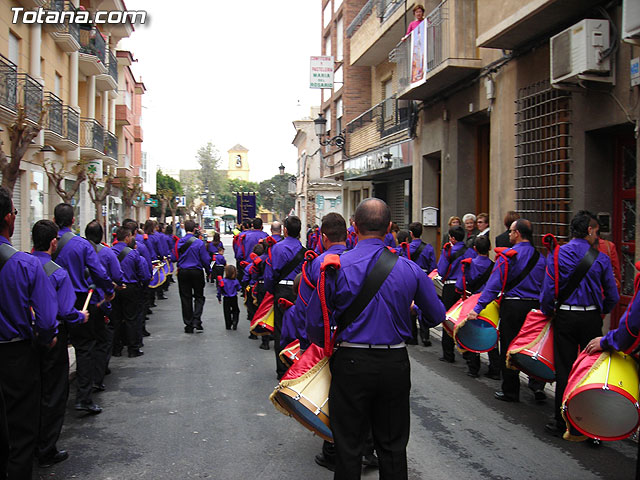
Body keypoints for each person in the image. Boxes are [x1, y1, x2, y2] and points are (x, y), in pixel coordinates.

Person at [305, 198, 445, 479]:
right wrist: (411, 308)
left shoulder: (334, 266)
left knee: (348, 446)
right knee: (393, 446)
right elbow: (436, 316)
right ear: (390, 228)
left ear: (353, 227)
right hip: (394, 361)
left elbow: (314, 325)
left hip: (351, 361)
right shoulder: (410, 269)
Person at [540, 211, 619, 437]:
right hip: (591, 318)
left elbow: (547, 293)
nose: (597, 235)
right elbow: (612, 295)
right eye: (596, 231)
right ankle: (592, 427)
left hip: (564, 316)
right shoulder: (601, 258)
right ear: (589, 230)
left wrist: (549, 311)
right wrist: (601, 311)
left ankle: (561, 421)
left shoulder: (556, 255)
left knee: (564, 369)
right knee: (590, 369)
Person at [0, 187, 58, 479]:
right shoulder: (25, 264)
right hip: (15, 355)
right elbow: (47, 321)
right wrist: (46, 341)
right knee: (21, 433)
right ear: (10, 218)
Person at [465, 219, 546, 403]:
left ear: (517, 233)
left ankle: (510, 391)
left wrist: (477, 308)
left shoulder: (508, 256)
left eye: (510, 231)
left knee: (509, 347)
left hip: (512, 306)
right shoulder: (541, 257)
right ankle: (537, 386)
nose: (508, 234)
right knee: (531, 346)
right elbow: (547, 287)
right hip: (534, 308)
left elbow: (493, 286)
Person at [31, 220, 89, 468]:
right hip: (52, 336)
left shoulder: (18, 264)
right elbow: (66, 311)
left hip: (23, 338)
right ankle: (46, 448)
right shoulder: (56, 272)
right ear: (53, 242)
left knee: (30, 391)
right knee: (54, 393)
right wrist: (81, 316)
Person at [53, 203, 114, 415]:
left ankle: (55, 399)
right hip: (78, 300)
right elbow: (98, 271)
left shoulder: (46, 243)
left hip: (51, 299)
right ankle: (84, 398)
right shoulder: (81, 245)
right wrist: (108, 291)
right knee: (85, 348)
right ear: (73, 221)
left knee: (56, 348)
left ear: (54, 220)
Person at [264, 215, 306, 379]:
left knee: (281, 330)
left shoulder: (276, 248)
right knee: (299, 329)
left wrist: (271, 291)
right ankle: (296, 366)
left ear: (286, 230)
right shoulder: (304, 251)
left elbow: (269, 274)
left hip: (281, 291)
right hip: (299, 292)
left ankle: (281, 369)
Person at [84, 220, 123, 390]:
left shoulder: (74, 249)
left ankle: (85, 377)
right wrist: (110, 289)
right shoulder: (106, 253)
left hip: (77, 301)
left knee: (85, 342)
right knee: (103, 339)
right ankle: (96, 379)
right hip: (99, 301)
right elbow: (116, 274)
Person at [454, 235, 500, 379]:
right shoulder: (495, 265)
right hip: (491, 303)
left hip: (473, 301)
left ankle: (473, 368)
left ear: (474, 249)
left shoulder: (468, 264)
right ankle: (495, 369)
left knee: (472, 333)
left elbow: (460, 286)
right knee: (491, 334)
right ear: (490, 248)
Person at [438, 225, 477, 363]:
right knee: (464, 319)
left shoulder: (447, 251)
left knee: (448, 318)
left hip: (449, 287)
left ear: (453, 238)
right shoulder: (470, 252)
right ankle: (467, 352)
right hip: (465, 288)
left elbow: (441, 271)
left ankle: (448, 353)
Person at [111, 226, 150, 358]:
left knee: (116, 318)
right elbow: (143, 274)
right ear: (127, 238)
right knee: (131, 318)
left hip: (115, 287)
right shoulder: (133, 253)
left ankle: (116, 348)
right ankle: (133, 348)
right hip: (131, 288)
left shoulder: (110, 252)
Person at [171, 220, 211, 333]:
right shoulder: (198, 243)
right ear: (195, 229)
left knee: (185, 298)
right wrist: (209, 271)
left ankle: (188, 324)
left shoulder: (179, 242)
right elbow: (205, 259)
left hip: (183, 271)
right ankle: (197, 320)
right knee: (199, 296)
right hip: (196, 271)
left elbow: (174, 258)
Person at [217, 265, 242, 330]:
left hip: (226, 298)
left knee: (226, 311)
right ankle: (235, 321)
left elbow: (219, 290)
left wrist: (219, 297)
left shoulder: (222, 281)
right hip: (234, 297)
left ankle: (228, 325)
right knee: (236, 310)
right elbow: (239, 288)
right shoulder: (235, 281)